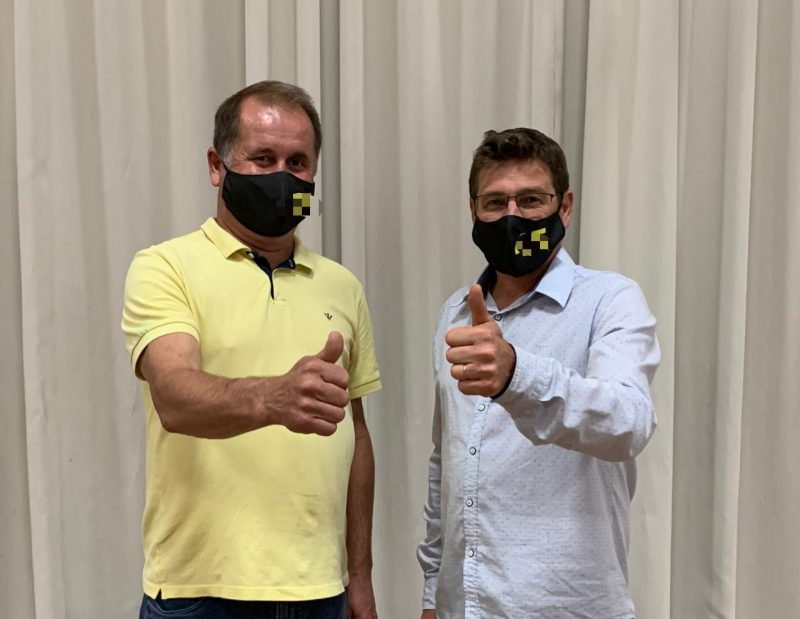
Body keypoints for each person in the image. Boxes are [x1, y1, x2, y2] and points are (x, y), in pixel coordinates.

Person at [122, 80, 381, 619]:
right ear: (216, 166)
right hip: (201, 591)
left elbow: (355, 435)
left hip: (322, 591)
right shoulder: (165, 267)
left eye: (298, 162)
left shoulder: (343, 286)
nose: (282, 176)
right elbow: (174, 397)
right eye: (262, 158)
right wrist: (273, 398)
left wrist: (359, 575)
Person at [417, 128, 660, 618]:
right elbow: (448, 460)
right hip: (462, 606)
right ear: (473, 211)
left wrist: (517, 375)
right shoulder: (455, 313)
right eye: (495, 202)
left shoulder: (610, 300)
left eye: (531, 200)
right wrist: (432, 592)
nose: (513, 217)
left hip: (568, 606)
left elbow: (628, 423)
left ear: (564, 207)